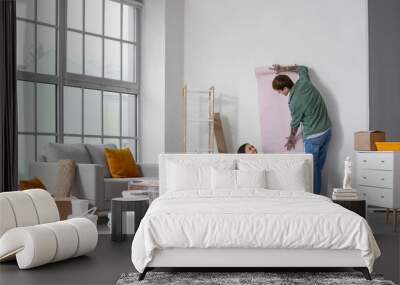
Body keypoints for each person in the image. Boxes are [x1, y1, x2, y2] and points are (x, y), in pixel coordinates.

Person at [270, 64, 331, 195]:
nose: (280, 94)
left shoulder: (294, 102)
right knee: (318, 169)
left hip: (314, 138)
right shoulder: (304, 82)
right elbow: (302, 69)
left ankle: (314, 199)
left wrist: (292, 138)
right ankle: (320, 197)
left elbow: (295, 124)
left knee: (311, 172)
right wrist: (282, 69)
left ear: (285, 88)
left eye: (280, 91)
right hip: (327, 130)